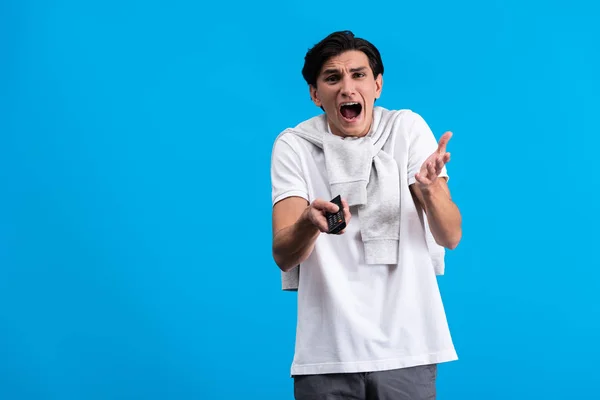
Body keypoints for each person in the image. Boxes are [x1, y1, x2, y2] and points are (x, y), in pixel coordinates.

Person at [270, 30, 462, 400]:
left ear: (377, 85)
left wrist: (431, 189)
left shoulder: (407, 130)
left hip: (409, 347)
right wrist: (309, 223)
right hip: (327, 355)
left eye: (358, 75)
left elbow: (450, 236)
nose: (346, 88)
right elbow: (283, 253)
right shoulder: (294, 146)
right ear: (314, 94)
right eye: (332, 78)